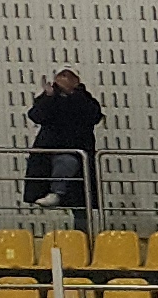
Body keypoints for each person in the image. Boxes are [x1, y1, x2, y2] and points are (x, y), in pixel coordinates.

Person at [23, 70, 101, 224]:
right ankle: (55, 194)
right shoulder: (49, 98)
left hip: (77, 151)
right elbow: (36, 115)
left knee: (80, 203)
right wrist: (49, 96)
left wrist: (72, 95)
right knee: (75, 197)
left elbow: (93, 116)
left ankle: (82, 235)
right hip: (50, 151)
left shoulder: (83, 99)